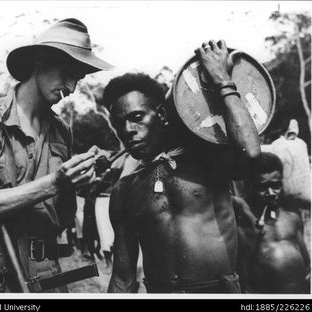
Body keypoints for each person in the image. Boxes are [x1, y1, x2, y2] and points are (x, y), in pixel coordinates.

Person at [0, 18, 112, 293]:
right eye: (67, 72)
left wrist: (79, 183)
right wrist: (55, 182)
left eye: (78, 79)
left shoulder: (61, 132)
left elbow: (62, 217)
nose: (71, 88)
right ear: (40, 60)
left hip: (49, 279)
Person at [103, 40, 261, 293]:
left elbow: (251, 153)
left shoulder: (208, 161)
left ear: (162, 116)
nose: (128, 131)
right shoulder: (124, 190)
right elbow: (123, 279)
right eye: (119, 124)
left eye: (136, 117)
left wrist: (221, 77)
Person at [234, 152, 311, 293]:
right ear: (249, 186)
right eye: (262, 187)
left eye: (276, 185)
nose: (271, 193)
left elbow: (306, 263)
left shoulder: (292, 217)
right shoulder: (242, 221)